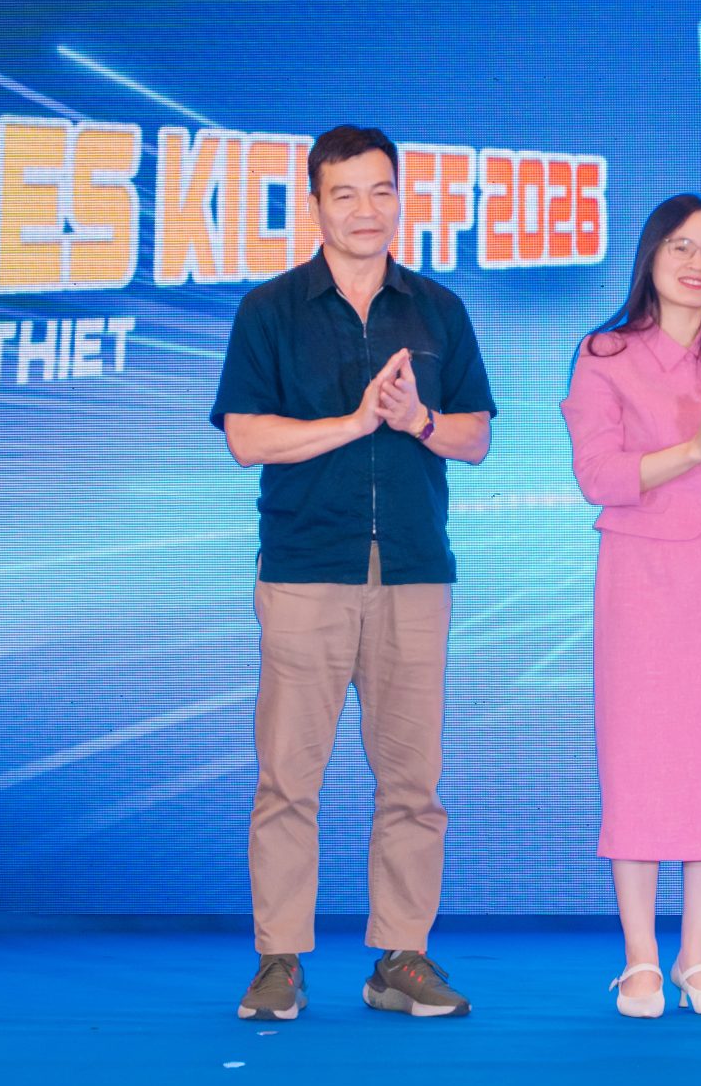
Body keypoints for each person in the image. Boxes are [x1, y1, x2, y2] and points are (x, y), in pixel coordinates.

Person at [209, 124, 496, 1022]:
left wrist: (415, 420)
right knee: (287, 779)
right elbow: (246, 436)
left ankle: (400, 956)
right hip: (306, 568)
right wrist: (355, 421)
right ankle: (280, 960)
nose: (366, 210)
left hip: (414, 569)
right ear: (316, 204)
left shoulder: (438, 310)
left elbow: (476, 436)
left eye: (381, 190)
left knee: (413, 780)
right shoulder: (270, 310)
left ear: (400, 197)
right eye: (345, 194)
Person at [559, 194, 701, 1019]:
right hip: (642, 576)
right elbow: (599, 474)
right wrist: (693, 448)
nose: (698, 263)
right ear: (651, 255)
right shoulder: (606, 353)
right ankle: (640, 960)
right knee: (641, 759)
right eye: (682, 247)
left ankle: (698, 959)